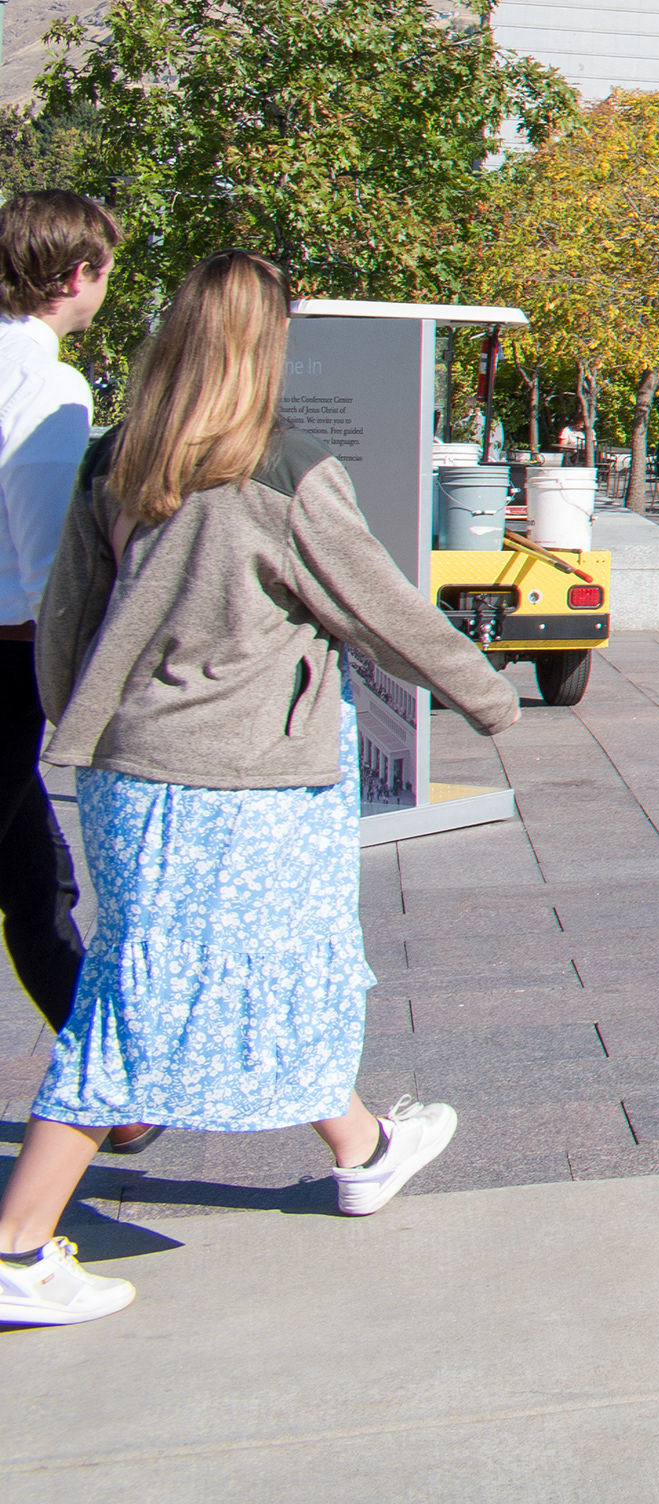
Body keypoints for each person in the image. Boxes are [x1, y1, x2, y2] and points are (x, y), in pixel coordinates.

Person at [1, 252, 524, 1329]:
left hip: (131, 776)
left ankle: (364, 1146)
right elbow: (384, 608)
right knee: (142, 1003)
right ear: (266, 344)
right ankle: (15, 1243)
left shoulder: (119, 460)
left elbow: (65, 621)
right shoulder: (282, 472)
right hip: (244, 785)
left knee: (259, 963)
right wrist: (489, 696)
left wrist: (75, 718)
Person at [0, 192, 117, 1054]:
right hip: (7, 662)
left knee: (35, 878)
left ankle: (104, 1080)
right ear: (76, 274)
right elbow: (48, 569)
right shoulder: (46, 383)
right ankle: (105, 1082)